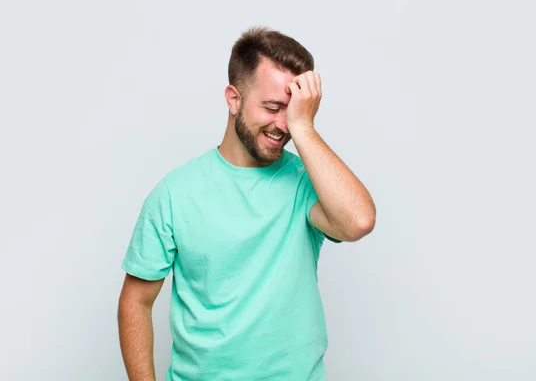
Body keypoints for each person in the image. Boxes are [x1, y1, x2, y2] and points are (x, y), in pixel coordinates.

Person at [117, 26, 376, 381]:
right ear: (233, 99)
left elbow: (358, 221)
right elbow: (135, 301)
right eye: (272, 107)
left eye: (293, 111)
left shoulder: (304, 183)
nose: (282, 125)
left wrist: (305, 128)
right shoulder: (175, 193)